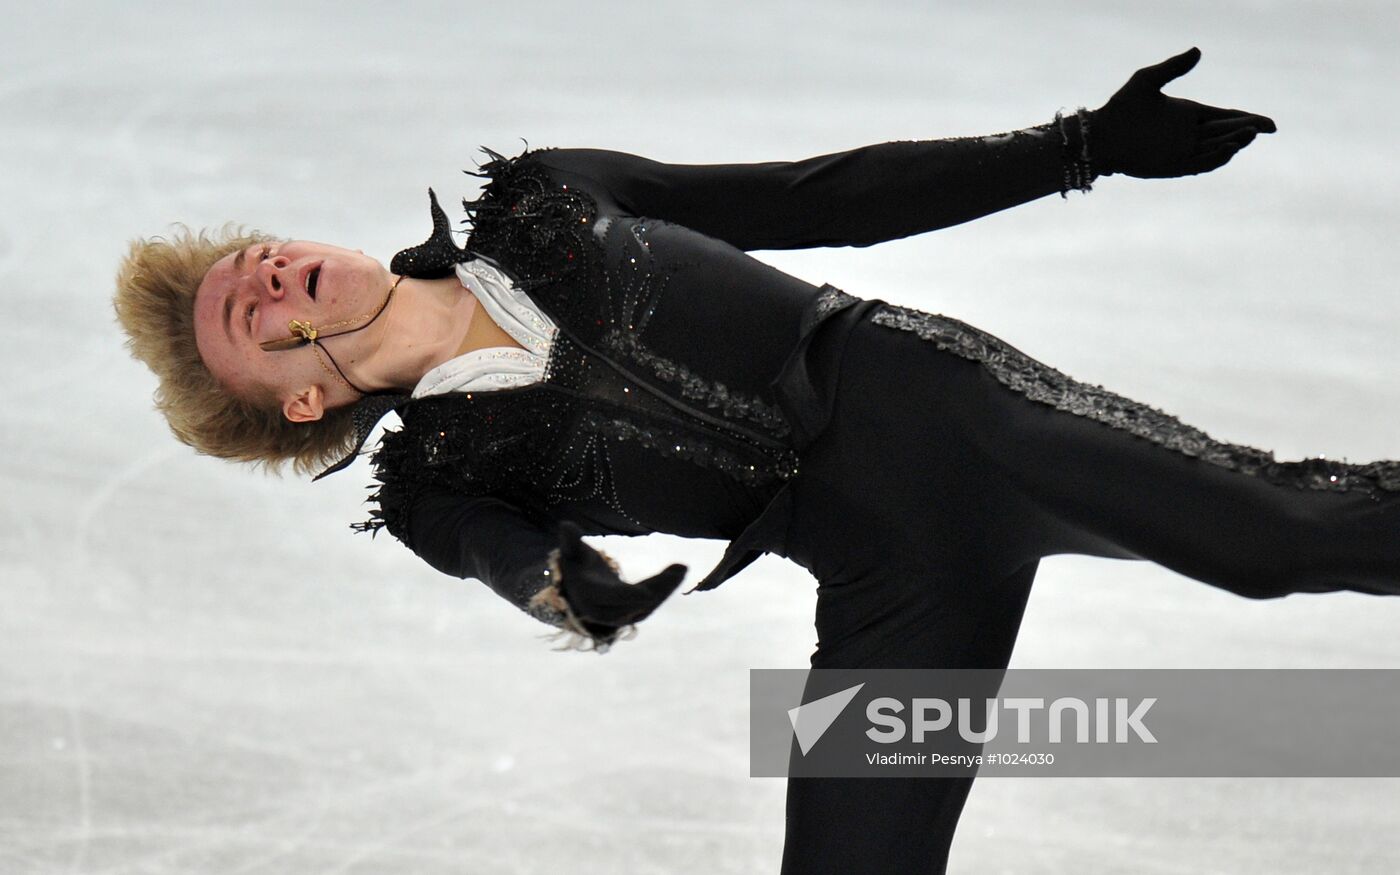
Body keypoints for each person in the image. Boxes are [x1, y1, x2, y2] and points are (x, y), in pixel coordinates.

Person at [112, 47, 1400, 873]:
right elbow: (498, 553)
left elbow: (821, 197)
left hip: (947, 411)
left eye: (253, 258)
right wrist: (567, 582)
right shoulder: (437, 480)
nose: (266, 274)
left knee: (1276, 541)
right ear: (292, 403)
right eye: (247, 314)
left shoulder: (549, 199)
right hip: (888, 575)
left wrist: (1072, 149)